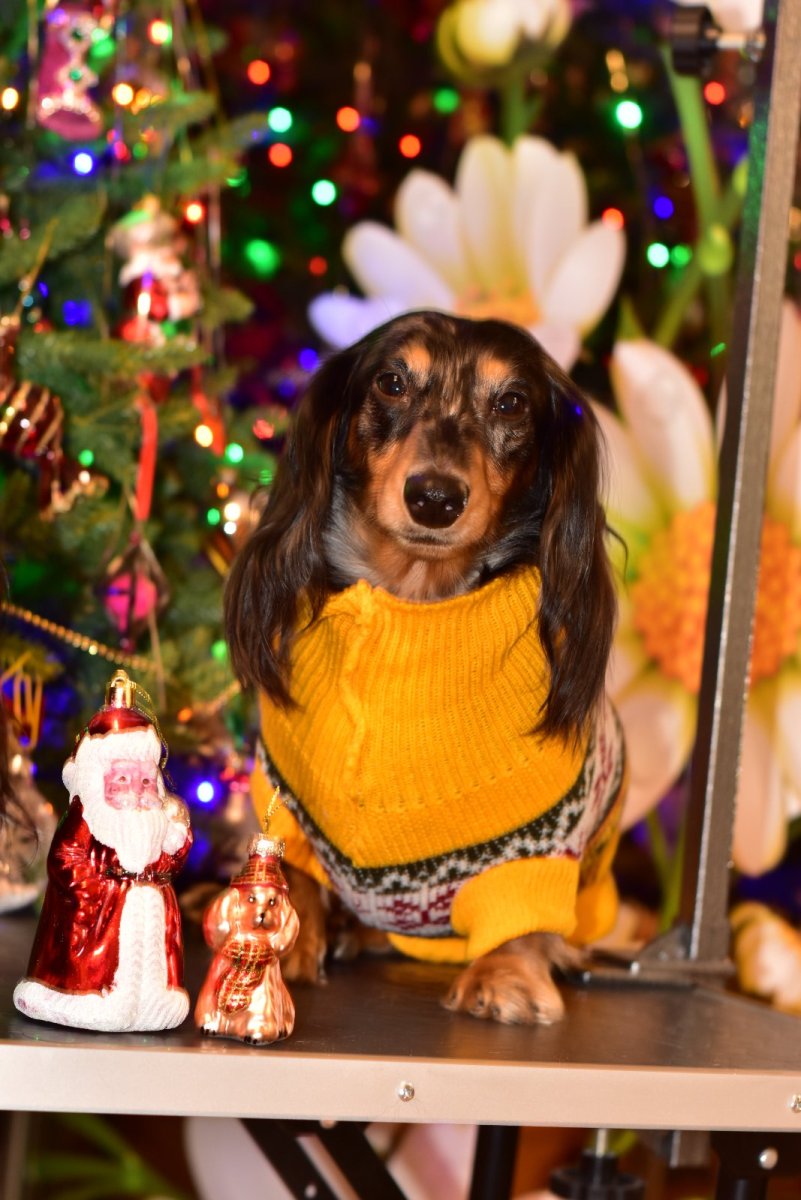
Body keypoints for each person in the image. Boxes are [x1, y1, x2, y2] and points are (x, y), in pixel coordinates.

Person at [13, 670, 192, 1032]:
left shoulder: (159, 818)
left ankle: (152, 1004)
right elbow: (65, 856)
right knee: (105, 964)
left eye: (145, 780)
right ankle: (86, 997)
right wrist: (93, 892)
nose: (137, 789)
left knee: (151, 963)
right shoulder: (88, 813)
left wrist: (178, 841)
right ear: (99, 778)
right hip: (98, 917)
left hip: (151, 914)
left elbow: (170, 864)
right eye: (123, 779)